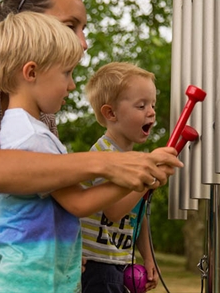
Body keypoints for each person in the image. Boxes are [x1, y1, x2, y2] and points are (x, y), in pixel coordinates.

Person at [0, 0, 182, 292]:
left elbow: (12, 199)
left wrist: (49, 250)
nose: (83, 42)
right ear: (26, 25)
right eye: (70, 26)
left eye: (83, 29)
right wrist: (109, 164)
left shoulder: (42, 117)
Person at [0, 12, 149, 292]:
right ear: (31, 72)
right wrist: (141, 175)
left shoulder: (22, 130)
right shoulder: (32, 138)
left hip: (33, 275)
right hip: (36, 282)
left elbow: (63, 208)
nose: (72, 85)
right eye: (66, 73)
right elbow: (80, 202)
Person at [81, 62, 160, 293]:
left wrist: (147, 257)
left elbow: (138, 212)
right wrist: (147, 179)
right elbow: (114, 211)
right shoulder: (103, 155)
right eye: (141, 105)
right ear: (111, 113)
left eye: (153, 104)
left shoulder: (135, 159)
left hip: (119, 261)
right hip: (97, 264)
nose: (152, 111)